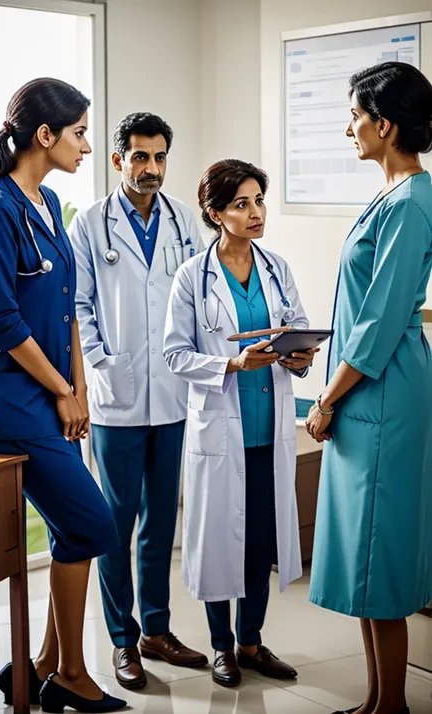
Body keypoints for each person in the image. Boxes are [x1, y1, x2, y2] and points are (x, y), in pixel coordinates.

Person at [0, 78, 126, 713]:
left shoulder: (48, 203)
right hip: (9, 398)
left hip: (52, 393)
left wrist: (78, 390)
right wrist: (62, 391)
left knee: (72, 526)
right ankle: (73, 674)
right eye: (80, 133)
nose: (87, 145)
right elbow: (0, 320)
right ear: (44, 135)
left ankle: (44, 668)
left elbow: (67, 309)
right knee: (89, 521)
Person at [306, 61, 432, 714]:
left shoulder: (412, 202)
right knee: (364, 554)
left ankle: (390, 706)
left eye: (355, 114)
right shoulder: (392, 196)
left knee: (378, 552)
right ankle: (381, 701)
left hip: (382, 390)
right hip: (367, 389)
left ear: (384, 124)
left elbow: (380, 322)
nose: (349, 126)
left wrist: (327, 398)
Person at [163, 158, 317, 687]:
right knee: (216, 543)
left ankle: (251, 641)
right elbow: (175, 355)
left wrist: (299, 355)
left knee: (258, 543)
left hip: (266, 430)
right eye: (241, 204)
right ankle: (222, 646)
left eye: (258, 200)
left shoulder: (276, 268)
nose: (255, 213)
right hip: (220, 431)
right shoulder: (192, 277)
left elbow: (295, 327)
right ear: (215, 213)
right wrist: (231, 362)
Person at [68, 112, 207, 690]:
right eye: (139, 157)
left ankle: (157, 630)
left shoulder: (182, 223)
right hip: (117, 397)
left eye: (159, 157)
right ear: (118, 159)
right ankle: (123, 640)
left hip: (171, 396)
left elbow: (199, 298)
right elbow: (75, 306)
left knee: (159, 522)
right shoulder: (91, 225)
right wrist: (100, 361)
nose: (150, 169)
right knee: (115, 522)